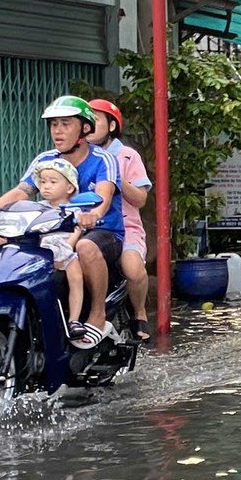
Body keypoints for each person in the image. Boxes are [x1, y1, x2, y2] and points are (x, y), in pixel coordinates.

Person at [0, 96, 120, 341]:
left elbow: (104, 194)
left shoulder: (103, 159)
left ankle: (97, 313)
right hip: (53, 230)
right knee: (2, 245)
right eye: (54, 125)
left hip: (102, 231)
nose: (58, 131)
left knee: (85, 246)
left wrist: (93, 215)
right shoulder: (45, 160)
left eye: (65, 124)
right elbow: (22, 191)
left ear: (84, 128)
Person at [0, 157, 96, 343]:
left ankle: (74, 320)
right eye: (43, 182)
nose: (46, 186)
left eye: (53, 182)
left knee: (75, 275)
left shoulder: (74, 209)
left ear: (70, 187)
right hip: (40, 251)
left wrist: (67, 247)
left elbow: (78, 230)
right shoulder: (37, 208)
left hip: (64, 249)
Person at [89, 99, 152, 341]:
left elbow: (140, 199)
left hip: (126, 227)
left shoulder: (127, 156)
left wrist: (115, 178)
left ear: (112, 125)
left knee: (133, 269)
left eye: (95, 120)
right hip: (87, 227)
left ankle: (139, 312)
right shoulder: (80, 155)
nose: (88, 126)